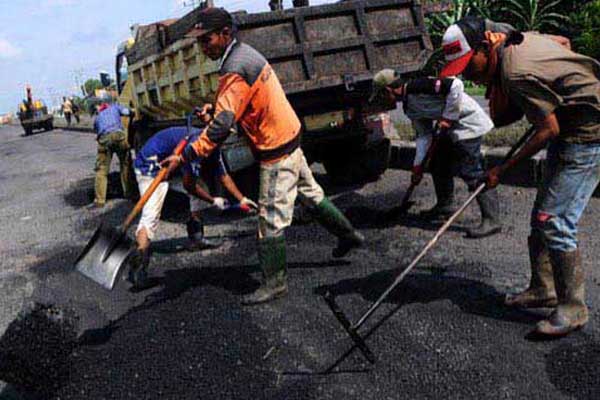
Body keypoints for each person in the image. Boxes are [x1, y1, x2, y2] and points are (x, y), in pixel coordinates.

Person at [161, 7, 364, 305]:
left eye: (207, 40)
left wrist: (187, 155)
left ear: (225, 34)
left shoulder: (233, 68)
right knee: (311, 195)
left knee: (269, 220)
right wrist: (215, 111)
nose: (203, 47)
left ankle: (274, 284)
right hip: (289, 135)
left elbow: (221, 127)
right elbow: (240, 105)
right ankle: (348, 235)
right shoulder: (244, 54)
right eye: (200, 42)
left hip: (275, 149)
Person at [439, 17, 600, 336]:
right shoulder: (516, 41)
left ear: (485, 47)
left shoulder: (514, 72)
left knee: (555, 220)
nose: (467, 73)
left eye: (468, 64)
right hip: (570, 127)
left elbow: (547, 129)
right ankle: (543, 289)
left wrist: (501, 169)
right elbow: (563, 43)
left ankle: (573, 308)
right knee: (541, 216)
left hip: (589, 133)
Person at [370, 70, 499, 238]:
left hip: (469, 125)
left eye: (381, 96)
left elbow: (456, 85)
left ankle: (492, 220)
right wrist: (417, 167)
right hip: (450, 129)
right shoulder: (409, 107)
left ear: (388, 90)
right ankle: (445, 205)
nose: (382, 101)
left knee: (471, 171)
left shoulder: (419, 86)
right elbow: (424, 136)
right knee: (438, 163)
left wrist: (448, 116)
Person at [128, 125, 257, 289]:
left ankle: (196, 238)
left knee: (198, 187)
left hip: (170, 159)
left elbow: (224, 176)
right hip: (149, 165)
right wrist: (213, 200)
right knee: (150, 216)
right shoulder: (197, 145)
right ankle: (138, 268)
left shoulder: (212, 145)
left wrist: (242, 199)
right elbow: (189, 186)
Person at [91, 103, 134, 208]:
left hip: (104, 139)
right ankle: (129, 192)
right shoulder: (115, 107)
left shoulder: (97, 118)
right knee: (125, 164)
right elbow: (127, 112)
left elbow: (96, 132)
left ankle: (100, 200)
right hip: (119, 136)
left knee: (101, 170)